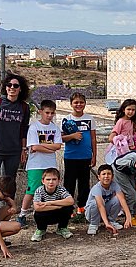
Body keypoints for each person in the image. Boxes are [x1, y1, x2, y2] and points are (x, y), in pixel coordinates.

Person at [0, 73, 31, 193]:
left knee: (9, 185)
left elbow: (24, 130)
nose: (12, 88)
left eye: (15, 85)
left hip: (13, 152)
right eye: (9, 85)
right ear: (5, 87)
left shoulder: (24, 107)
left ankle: (8, 210)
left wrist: (23, 149)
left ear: (20, 89)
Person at [17, 99, 63, 228]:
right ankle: (22, 214)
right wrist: (49, 147)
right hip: (36, 165)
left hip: (50, 164)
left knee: (51, 189)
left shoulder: (54, 128)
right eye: (47, 112)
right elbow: (34, 147)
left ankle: (49, 212)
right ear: (41, 112)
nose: (49, 115)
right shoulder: (34, 127)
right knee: (32, 190)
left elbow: (58, 146)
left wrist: (42, 145)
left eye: (52, 113)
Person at [61, 92, 96, 216]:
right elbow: (62, 138)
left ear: (85, 104)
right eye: (76, 102)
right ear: (71, 104)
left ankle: (82, 206)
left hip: (85, 156)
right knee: (69, 183)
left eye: (81, 102)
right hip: (71, 156)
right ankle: (68, 208)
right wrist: (72, 136)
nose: (79, 104)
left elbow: (93, 138)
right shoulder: (67, 119)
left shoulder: (90, 118)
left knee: (84, 183)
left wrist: (94, 155)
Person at [85, 164, 132, 235]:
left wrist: (128, 217)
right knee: (95, 202)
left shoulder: (115, 185)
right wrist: (106, 223)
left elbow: (122, 200)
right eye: (103, 174)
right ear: (99, 177)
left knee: (117, 199)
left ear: (112, 176)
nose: (106, 176)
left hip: (104, 212)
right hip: (92, 213)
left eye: (109, 174)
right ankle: (93, 224)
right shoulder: (97, 188)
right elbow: (100, 205)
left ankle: (111, 221)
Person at [31, 168, 75, 242]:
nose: (51, 182)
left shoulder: (61, 189)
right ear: (43, 181)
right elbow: (37, 207)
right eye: (48, 179)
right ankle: (41, 229)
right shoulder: (39, 190)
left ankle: (62, 228)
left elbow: (71, 201)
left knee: (69, 208)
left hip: (56, 214)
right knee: (37, 214)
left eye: (54, 179)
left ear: (58, 181)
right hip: (45, 215)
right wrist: (59, 206)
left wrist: (49, 203)